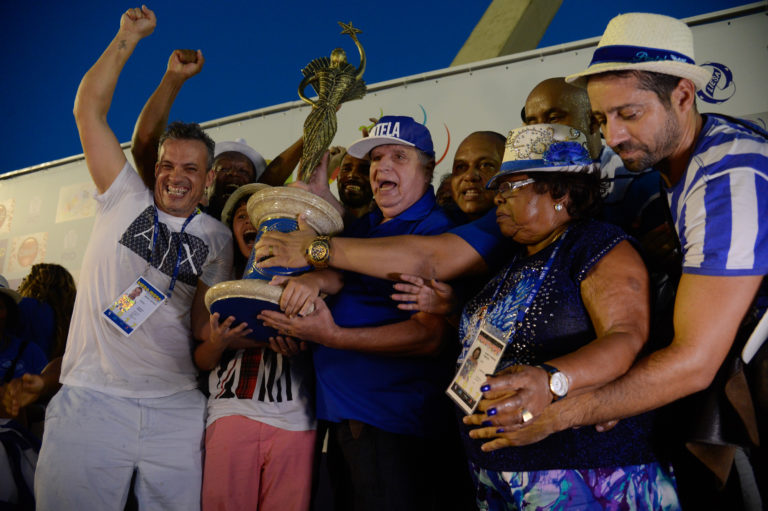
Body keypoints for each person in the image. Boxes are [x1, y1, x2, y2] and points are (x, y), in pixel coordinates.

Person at [464, 12, 768, 507]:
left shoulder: (726, 177)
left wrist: (562, 407)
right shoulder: (681, 160)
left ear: (683, 96)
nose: (613, 136)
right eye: (603, 119)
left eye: (629, 114)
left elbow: (694, 362)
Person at [34, 7, 233, 510]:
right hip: (91, 402)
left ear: (208, 180)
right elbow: (88, 111)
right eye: (167, 164)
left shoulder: (220, 238)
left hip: (176, 407)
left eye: (191, 167)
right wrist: (127, 38)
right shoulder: (124, 196)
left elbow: (202, 322)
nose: (175, 175)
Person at [452, 124, 677, 508]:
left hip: (584, 472)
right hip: (501, 470)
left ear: (558, 191)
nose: (497, 200)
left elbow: (626, 336)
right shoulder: (515, 258)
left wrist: (552, 380)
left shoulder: (598, 245)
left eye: (510, 186)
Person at [258, 115, 467, 511]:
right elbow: (337, 276)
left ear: (428, 167)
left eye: (398, 157)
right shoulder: (366, 227)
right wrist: (313, 286)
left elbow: (430, 336)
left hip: (395, 430)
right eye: (376, 158)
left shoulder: (435, 231)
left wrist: (333, 336)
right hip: (344, 424)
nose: (382, 167)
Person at [195, 183, 325, 511]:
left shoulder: (308, 280)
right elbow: (202, 358)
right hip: (232, 414)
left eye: (267, 216)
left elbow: (325, 340)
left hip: (296, 418)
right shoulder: (221, 284)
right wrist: (220, 341)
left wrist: (300, 343)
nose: (254, 222)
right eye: (244, 215)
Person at [131, 49, 304, 218]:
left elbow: (270, 180)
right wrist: (173, 78)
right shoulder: (175, 209)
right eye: (224, 168)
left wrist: (317, 125)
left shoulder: (254, 232)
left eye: (243, 171)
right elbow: (144, 143)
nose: (233, 174)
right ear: (207, 179)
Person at [16, 263, 77, 359]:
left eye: (26, 279)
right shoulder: (73, 317)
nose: (20, 284)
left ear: (35, 283)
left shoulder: (26, 307)